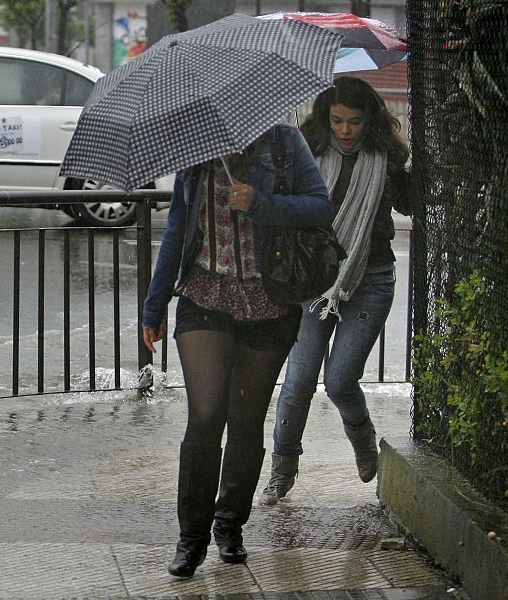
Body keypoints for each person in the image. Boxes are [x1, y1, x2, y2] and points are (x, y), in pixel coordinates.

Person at [142, 122, 334, 578]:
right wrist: (155, 303)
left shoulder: (283, 141)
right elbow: (177, 229)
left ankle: (229, 524)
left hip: (268, 300)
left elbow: (320, 206)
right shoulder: (195, 150)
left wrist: (259, 202)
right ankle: (191, 538)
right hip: (204, 295)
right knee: (206, 414)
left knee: (245, 420)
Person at [259, 77, 411, 506]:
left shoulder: (385, 160)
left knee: (341, 381)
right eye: (338, 120)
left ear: (369, 121)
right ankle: (282, 470)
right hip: (313, 280)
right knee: (298, 381)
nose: (345, 130)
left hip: (371, 278)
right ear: (326, 119)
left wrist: (429, 170)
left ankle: (364, 442)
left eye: (355, 122)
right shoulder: (307, 156)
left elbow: (412, 204)